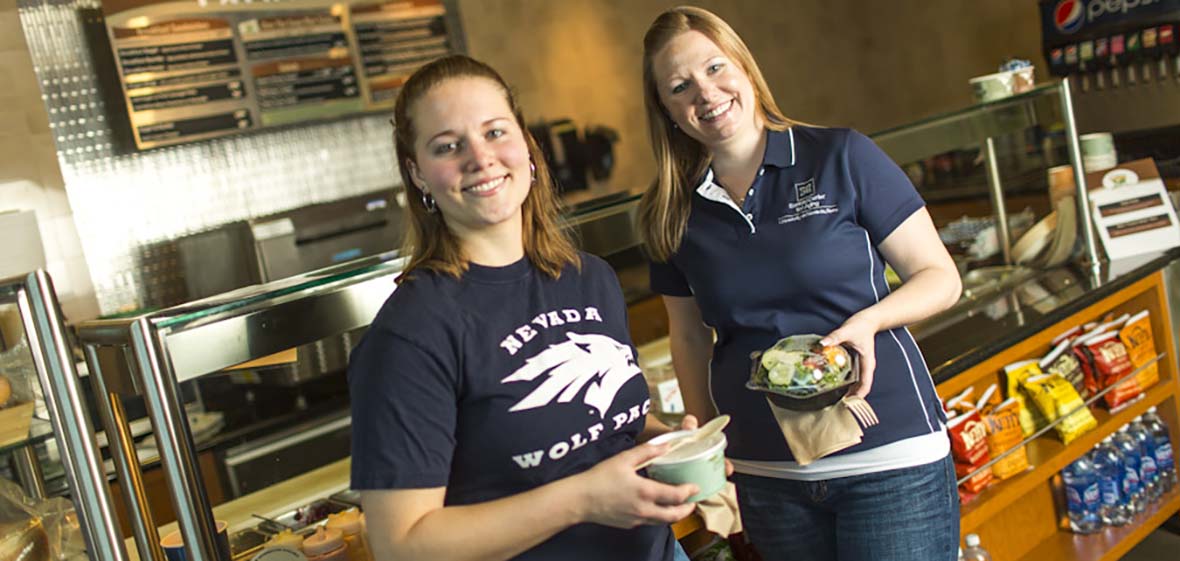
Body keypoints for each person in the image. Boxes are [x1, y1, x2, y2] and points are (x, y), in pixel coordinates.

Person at [637, 7, 963, 561]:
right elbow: (690, 338)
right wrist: (707, 447)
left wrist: (870, 320)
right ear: (665, 109)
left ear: (745, 67)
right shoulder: (669, 210)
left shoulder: (841, 155)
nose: (706, 93)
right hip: (767, 473)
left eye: (716, 68)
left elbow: (940, 278)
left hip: (886, 457)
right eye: (680, 86)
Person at [347, 54, 699, 561]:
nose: (479, 157)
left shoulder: (588, 277)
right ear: (418, 173)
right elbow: (401, 545)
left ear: (526, 146)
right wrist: (584, 500)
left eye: (494, 132)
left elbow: (604, 424)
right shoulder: (411, 334)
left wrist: (671, 447)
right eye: (448, 146)